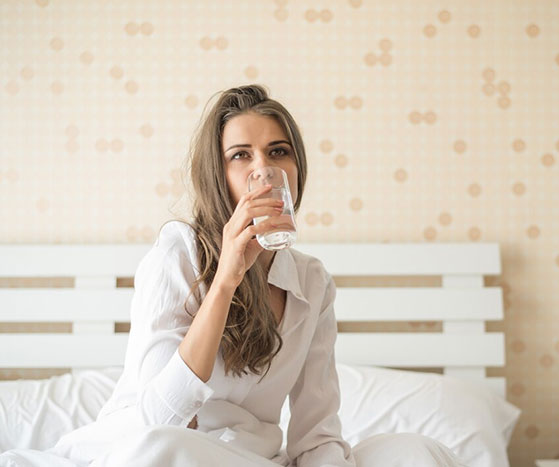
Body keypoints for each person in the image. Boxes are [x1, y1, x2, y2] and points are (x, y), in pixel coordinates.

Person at [0, 85, 466, 467]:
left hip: (251, 459)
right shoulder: (178, 253)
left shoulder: (312, 282)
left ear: (296, 169)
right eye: (240, 155)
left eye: (277, 152)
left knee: (417, 453)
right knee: (167, 450)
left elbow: (316, 435)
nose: (263, 169)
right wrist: (225, 280)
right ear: (218, 175)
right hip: (150, 448)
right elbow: (160, 416)